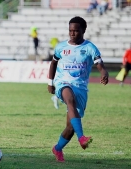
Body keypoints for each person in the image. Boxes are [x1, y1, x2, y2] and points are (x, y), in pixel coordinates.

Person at [47, 16, 109, 162]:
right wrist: (51, 82)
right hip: (63, 83)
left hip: (80, 88)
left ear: (83, 30)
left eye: (76, 31)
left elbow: (100, 65)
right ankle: (82, 138)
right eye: (70, 31)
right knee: (70, 100)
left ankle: (57, 148)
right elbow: (53, 64)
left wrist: (104, 73)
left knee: (70, 128)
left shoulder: (89, 48)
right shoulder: (61, 47)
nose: (72, 33)